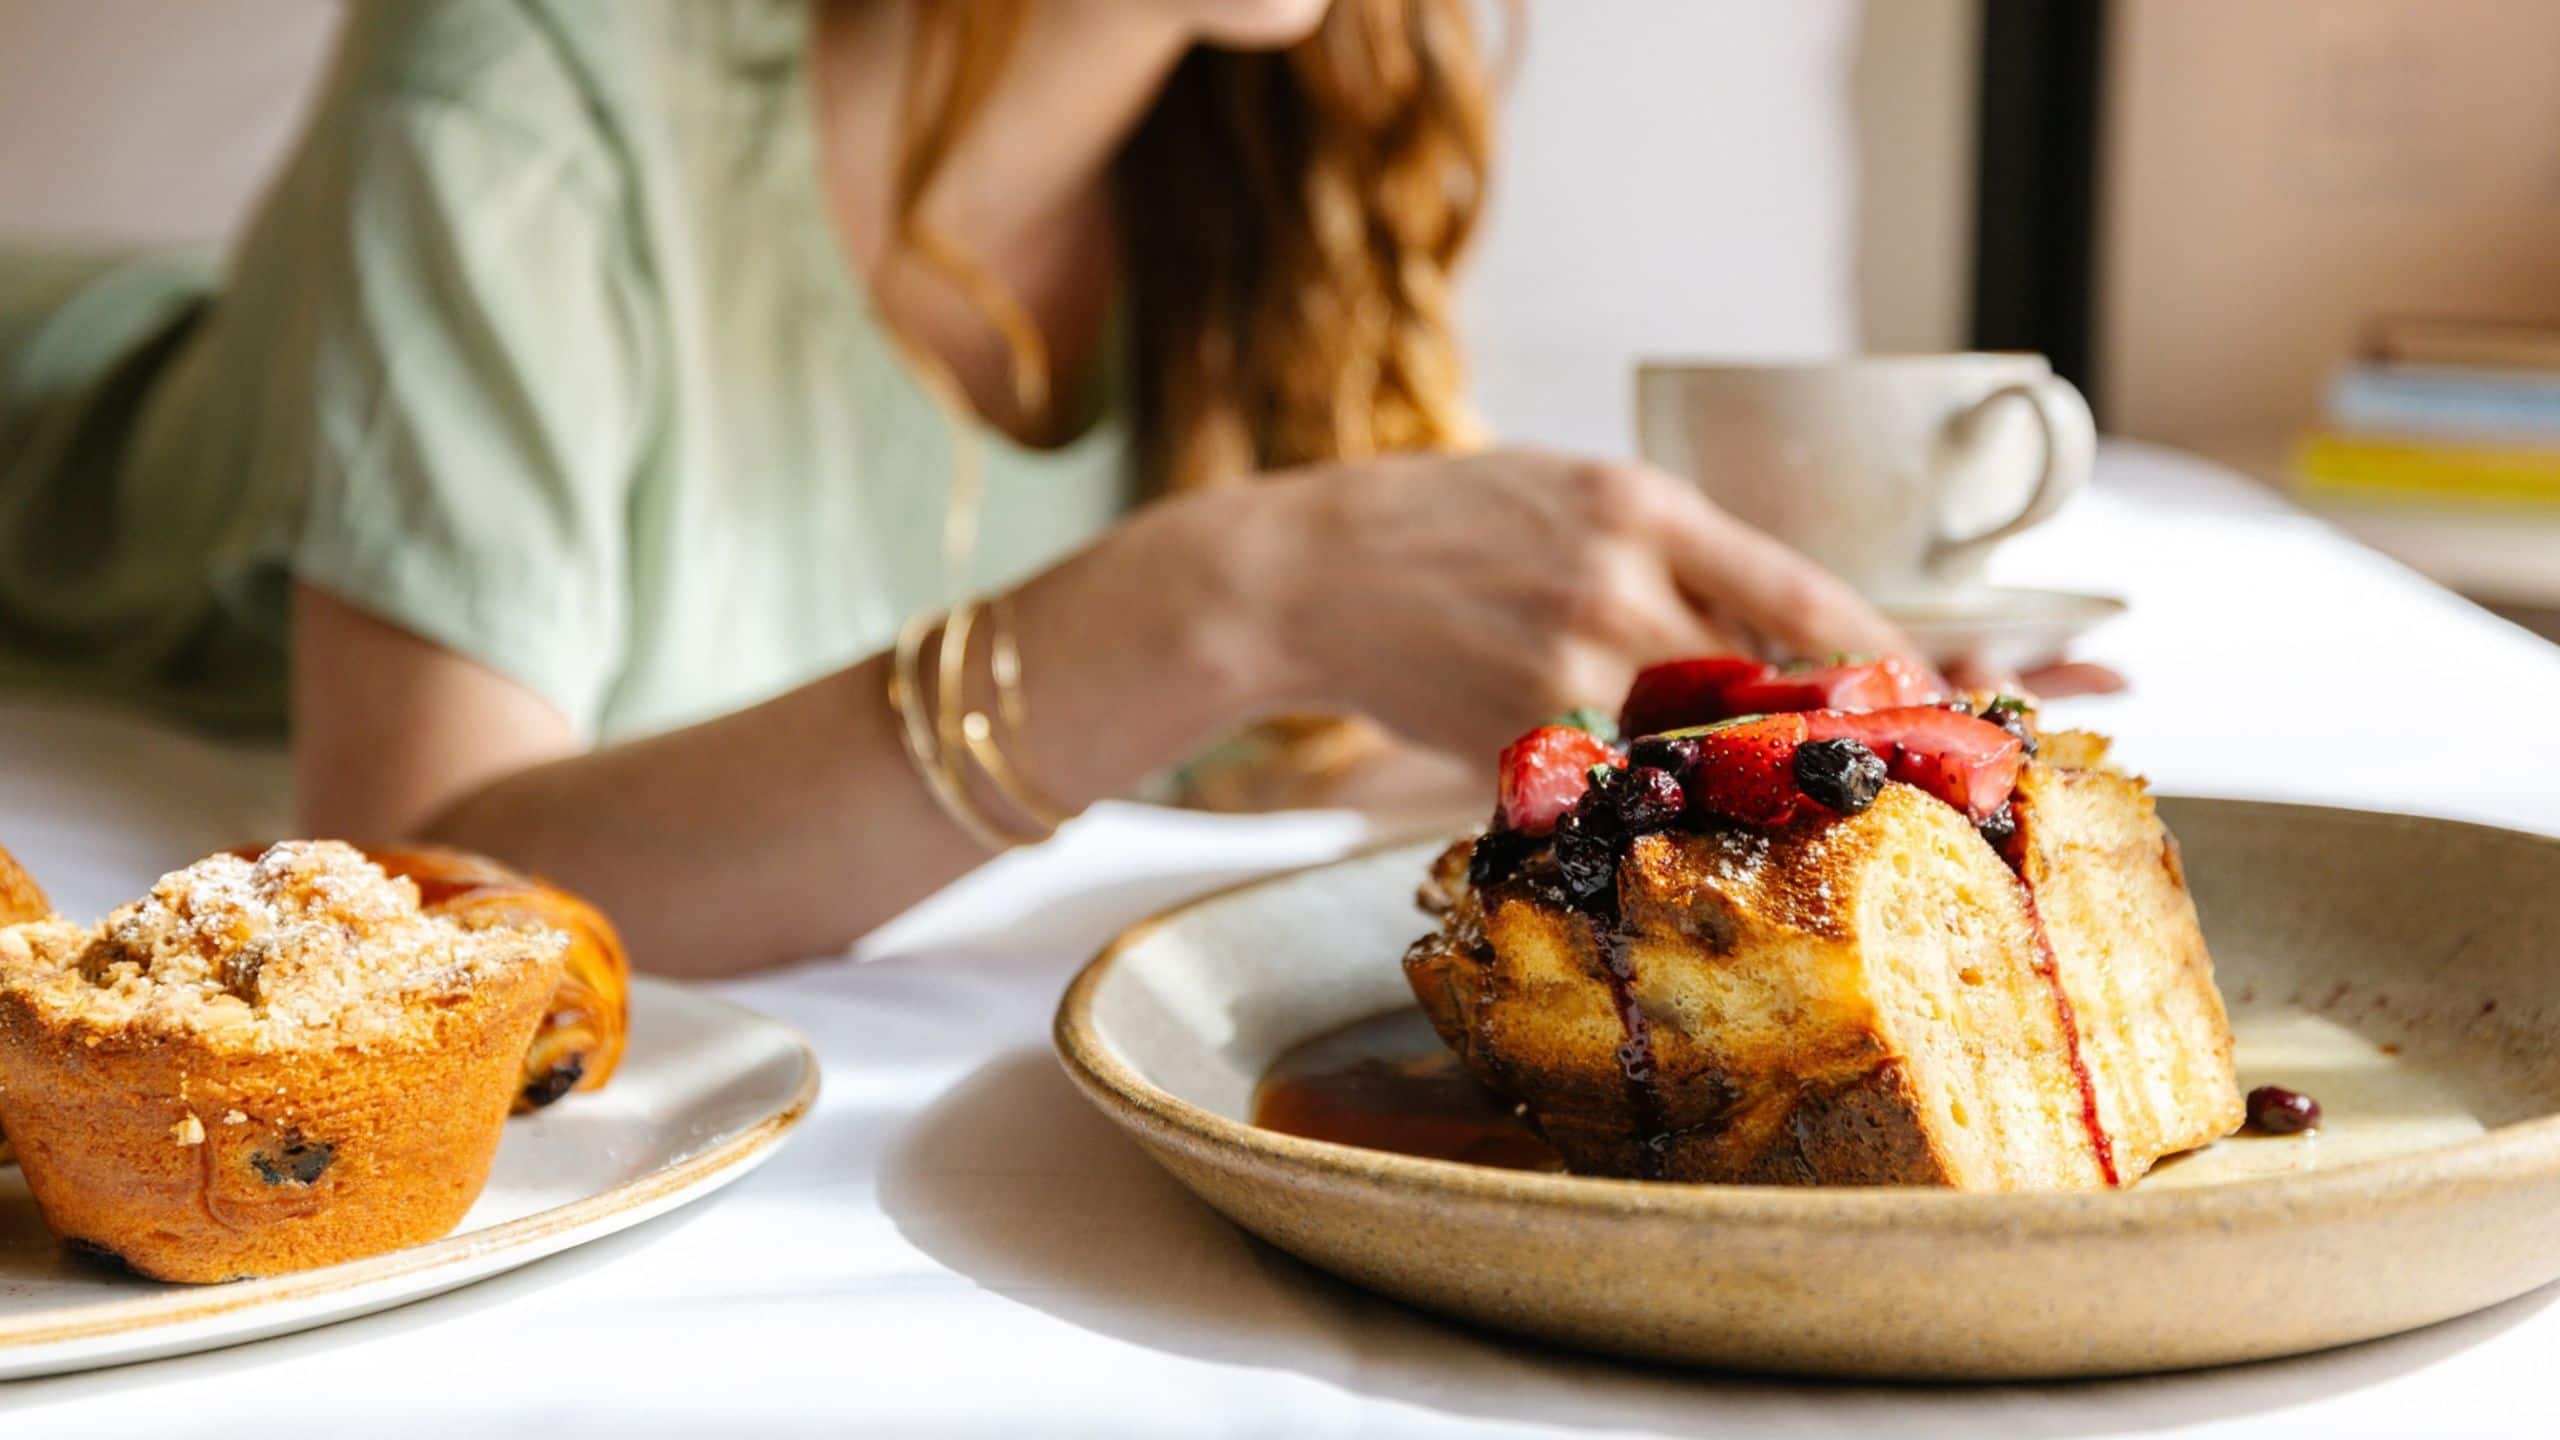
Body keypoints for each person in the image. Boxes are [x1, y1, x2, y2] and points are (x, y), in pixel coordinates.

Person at [0, 0, 2080, 974]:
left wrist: (1715, 729)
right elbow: (421, 873)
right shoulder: (524, 72)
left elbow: (1256, 749)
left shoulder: (1262, 158)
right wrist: (1206, 600)